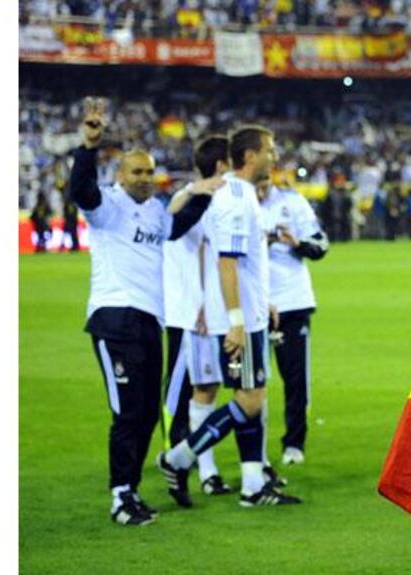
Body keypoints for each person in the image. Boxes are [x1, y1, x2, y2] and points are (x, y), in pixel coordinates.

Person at [68, 97, 209, 526]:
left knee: (149, 413)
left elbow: (180, 224)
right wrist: (87, 147)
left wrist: (209, 186)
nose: (146, 178)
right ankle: (120, 495)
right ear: (120, 175)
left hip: (150, 320)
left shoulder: (155, 212)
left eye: (149, 171)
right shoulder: (107, 204)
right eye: (137, 171)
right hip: (114, 318)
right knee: (128, 412)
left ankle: (129, 490)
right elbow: (81, 190)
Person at [157, 125, 302, 507]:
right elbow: (227, 264)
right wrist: (237, 320)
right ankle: (179, 457)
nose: (274, 156)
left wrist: (261, 303)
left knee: (251, 395)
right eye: (269, 150)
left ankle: (253, 485)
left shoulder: (244, 194)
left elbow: (249, 264)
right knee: (250, 401)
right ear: (250, 156)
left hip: (250, 314)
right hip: (236, 321)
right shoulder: (236, 196)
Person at [159, 134, 232, 508]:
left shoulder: (216, 199)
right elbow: (192, 244)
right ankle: (179, 468)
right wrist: (203, 306)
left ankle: (204, 470)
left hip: (208, 316)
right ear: (221, 165)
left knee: (208, 391)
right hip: (191, 319)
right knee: (184, 396)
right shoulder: (188, 198)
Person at [256, 175, 330, 466]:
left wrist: (296, 242)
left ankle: (294, 443)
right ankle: (255, 449)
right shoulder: (237, 200)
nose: (260, 190)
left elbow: (320, 246)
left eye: (264, 184)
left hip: (292, 301)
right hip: (254, 304)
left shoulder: (292, 201)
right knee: (253, 383)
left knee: (296, 378)